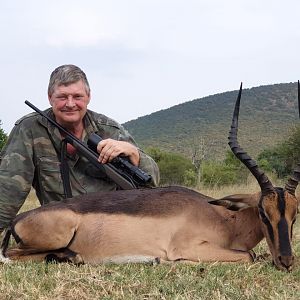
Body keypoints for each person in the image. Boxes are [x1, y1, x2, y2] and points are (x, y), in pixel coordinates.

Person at [0, 64, 160, 233]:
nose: (70, 104)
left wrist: (133, 153)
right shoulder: (29, 128)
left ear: (88, 97)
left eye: (77, 96)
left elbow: (152, 183)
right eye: (62, 97)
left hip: (111, 229)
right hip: (60, 228)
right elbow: (8, 188)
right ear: (50, 97)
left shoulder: (110, 130)